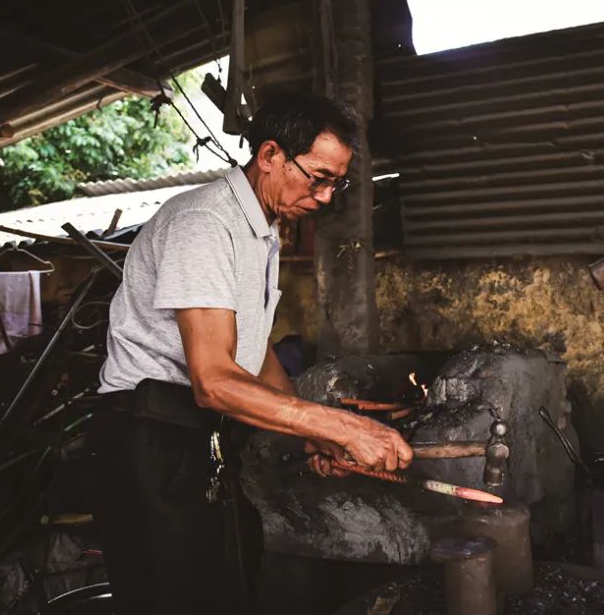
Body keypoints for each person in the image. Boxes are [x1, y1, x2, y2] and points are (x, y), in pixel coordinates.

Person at [92, 91, 413, 615]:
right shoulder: (205, 224)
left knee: (229, 581)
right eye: (319, 177)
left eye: (338, 182)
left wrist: (311, 433)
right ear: (269, 156)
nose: (328, 197)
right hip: (149, 436)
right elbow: (214, 380)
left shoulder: (259, 231)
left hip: (197, 436)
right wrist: (345, 427)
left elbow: (253, 348)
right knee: (176, 599)